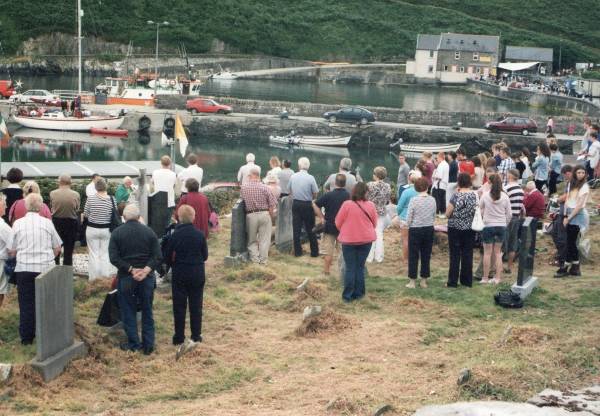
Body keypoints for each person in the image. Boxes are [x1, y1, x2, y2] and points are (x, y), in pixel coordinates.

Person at [109, 204, 161, 354]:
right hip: (146, 278)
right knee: (147, 310)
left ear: (124, 218)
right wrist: (146, 270)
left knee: (128, 310)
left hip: (126, 278)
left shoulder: (117, 233)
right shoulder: (149, 232)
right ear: (139, 217)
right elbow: (157, 256)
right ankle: (148, 345)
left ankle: (134, 344)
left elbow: (114, 258)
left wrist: (130, 269)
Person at [10, 194, 62, 344]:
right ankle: (47, 335)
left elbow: (11, 250)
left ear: (26, 206)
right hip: (45, 268)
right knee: (47, 302)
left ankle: (26, 338)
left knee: (26, 304)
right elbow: (57, 248)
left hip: (24, 268)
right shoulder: (47, 223)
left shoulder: (17, 224)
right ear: (41, 206)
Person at [164, 204, 208, 346]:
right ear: (193, 218)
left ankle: (179, 337)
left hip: (180, 272)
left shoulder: (174, 235)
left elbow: (167, 256)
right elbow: (205, 256)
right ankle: (196, 336)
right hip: (197, 272)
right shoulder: (200, 234)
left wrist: (173, 264)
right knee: (196, 305)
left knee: (179, 306)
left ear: (178, 218)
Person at [335, 182, 377, 302]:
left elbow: (338, 221)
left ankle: (347, 296)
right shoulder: (371, 205)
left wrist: (345, 230)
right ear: (365, 192)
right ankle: (359, 294)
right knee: (360, 266)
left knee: (350, 267)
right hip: (366, 240)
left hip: (349, 240)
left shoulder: (347, 204)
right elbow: (374, 223)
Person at [555, 165, 589, 277]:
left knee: (571, 242)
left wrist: (569, 218)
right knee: (571, 242)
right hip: (569, 213)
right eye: (578, 172)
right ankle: (575, 268)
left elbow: (579, 206)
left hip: (578, 216)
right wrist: (565, 215)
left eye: (582, 172)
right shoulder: (571, 184)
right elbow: (568, 201)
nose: (580, 174)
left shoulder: (584, 187)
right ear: (575, 173)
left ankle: (565, 267)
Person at [313, 174, 350, 275]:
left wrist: (321, 217)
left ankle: (326, 271)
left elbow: (315, 204)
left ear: (335, 183)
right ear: (345, 184)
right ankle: (343, 272)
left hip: (329, 226)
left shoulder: (329, 195)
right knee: (343, 251)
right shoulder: (349, 196)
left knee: (328, 251)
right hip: (344, 228)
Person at [240, 167, 277, 264]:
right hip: (264, 214)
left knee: (251, 240)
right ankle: (263, 261)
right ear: (258, 176)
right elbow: (272, 204)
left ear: (251, 176)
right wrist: (271, 216)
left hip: (250, 215)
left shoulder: (243, 187)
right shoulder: (265, 187)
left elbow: (242, 201)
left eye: (248, 176)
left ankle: (255, 260)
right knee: (264, 240)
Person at [446, 173, 477, 288]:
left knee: (455, 255)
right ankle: (467, 281)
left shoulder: (456, 196)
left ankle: (452, 281)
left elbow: (448, 213)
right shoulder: (475, 196)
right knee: (468, 254)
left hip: (455, 228)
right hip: (469, 228)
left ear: (459, 182)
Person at [480, 174, 512, 284]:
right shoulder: (505, 196)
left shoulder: (485, 195)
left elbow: (480, 209)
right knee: (498, 253)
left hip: (488, 225)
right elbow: (509, 214)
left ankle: (485, 278)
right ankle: (497, 278)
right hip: (501, 226)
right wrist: (505, 223)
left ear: (491, 183)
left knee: (487, 253)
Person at [84, 178, 118, 280]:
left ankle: (93, 278)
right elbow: (115, 214)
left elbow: (86, 214)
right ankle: (104, 276)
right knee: (105, 253)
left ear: (96, 187)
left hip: (92, 228)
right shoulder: (112, 199)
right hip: (106, 229)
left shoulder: (90, 198)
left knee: (93, 253)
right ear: (105, 187)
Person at [405, 177, 436, 289]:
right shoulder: (432, 199)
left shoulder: (414, 200)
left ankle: (412, 281)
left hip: (415, 229)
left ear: (416, 188)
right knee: (426, 255)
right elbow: (433, 216)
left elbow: (409, 217)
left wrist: (406, 225)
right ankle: (424, 281)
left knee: (413, 255)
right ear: (427, 187)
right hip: (428, 228)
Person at [289, 157, 319, 257]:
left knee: (296, 229)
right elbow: (315, 193)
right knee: (311, 228)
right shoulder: (311, 178)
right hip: (307, 204)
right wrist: (311, 198)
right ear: (308, 166)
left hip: (296, 203)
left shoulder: (293, 176)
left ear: (299, 166)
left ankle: (298, 252)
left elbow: (290, 191)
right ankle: (314, 252)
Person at [49, 174, 80, 266]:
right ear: (70, 182)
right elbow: (77, 209)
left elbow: (51, 207)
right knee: (68, 250)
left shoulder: (52, 193)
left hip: (56, 223)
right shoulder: (76, 194)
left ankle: (55, 268)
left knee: (56, 247)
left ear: (59, 181)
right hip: (71, 223)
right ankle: (67, 272)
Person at [366, 167, 391, 263]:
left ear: (376, 175)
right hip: (382, 212)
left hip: (370, 212)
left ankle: (369, 257)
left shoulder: (370, 185)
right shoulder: (388, 186)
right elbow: (388, 199)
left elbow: (366, 197)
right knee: (379, 234)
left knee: (370, 234)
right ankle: (379, 257)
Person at [550, 166, 572, 274]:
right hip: (561, 213)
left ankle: (563, 260)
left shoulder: (572, 183)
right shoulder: (568, 183)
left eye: (564, 175)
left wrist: (558, 199)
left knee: (562, 238)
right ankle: (561, 256)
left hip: (566, 214)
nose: (564, 177)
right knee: (554, 233)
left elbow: (567, 196)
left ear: (568, 173)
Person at [396, 170, 421, 263]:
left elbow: (399, 206)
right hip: (417, 218)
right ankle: (415, 257)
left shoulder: (406, 192)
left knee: (405, 239)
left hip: (405, 217)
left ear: (409, 180)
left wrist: (398, 214)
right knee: (416, 239)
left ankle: (406, 259)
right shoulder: (420, 192)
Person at [503, 170, 525, 274]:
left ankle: (495, 268)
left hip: (506, 218)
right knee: (512, 244)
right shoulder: (521, 190)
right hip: (516, 218)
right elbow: (522, 208)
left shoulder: (506, 188)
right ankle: (509, 267)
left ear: (510, 176)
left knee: (501, 244)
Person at [152, 155, 177, 224]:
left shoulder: (155, 172)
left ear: (161, 163)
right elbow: (174, 185)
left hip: (157, 200)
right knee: (167, 222)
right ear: (170, 163)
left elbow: (153, 183)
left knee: (157, 223)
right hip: (169, 202)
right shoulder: (173, 174)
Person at [0, 195, 14, 309]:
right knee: (0, 290)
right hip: (1, 261)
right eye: (4, 204)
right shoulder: (3, 226)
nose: (6, 207)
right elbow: (13, 245)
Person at [431, 152, 449, 217]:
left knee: (437, 200)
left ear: (440, 157)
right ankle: (443, 212)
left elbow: (439, 176)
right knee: (442, 200)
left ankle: (437, 213)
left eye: (437, 158)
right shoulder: (446, 164)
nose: (437, 159)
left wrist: (434, 176)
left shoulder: (441, 165)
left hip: (439, 185)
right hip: (444, 185)